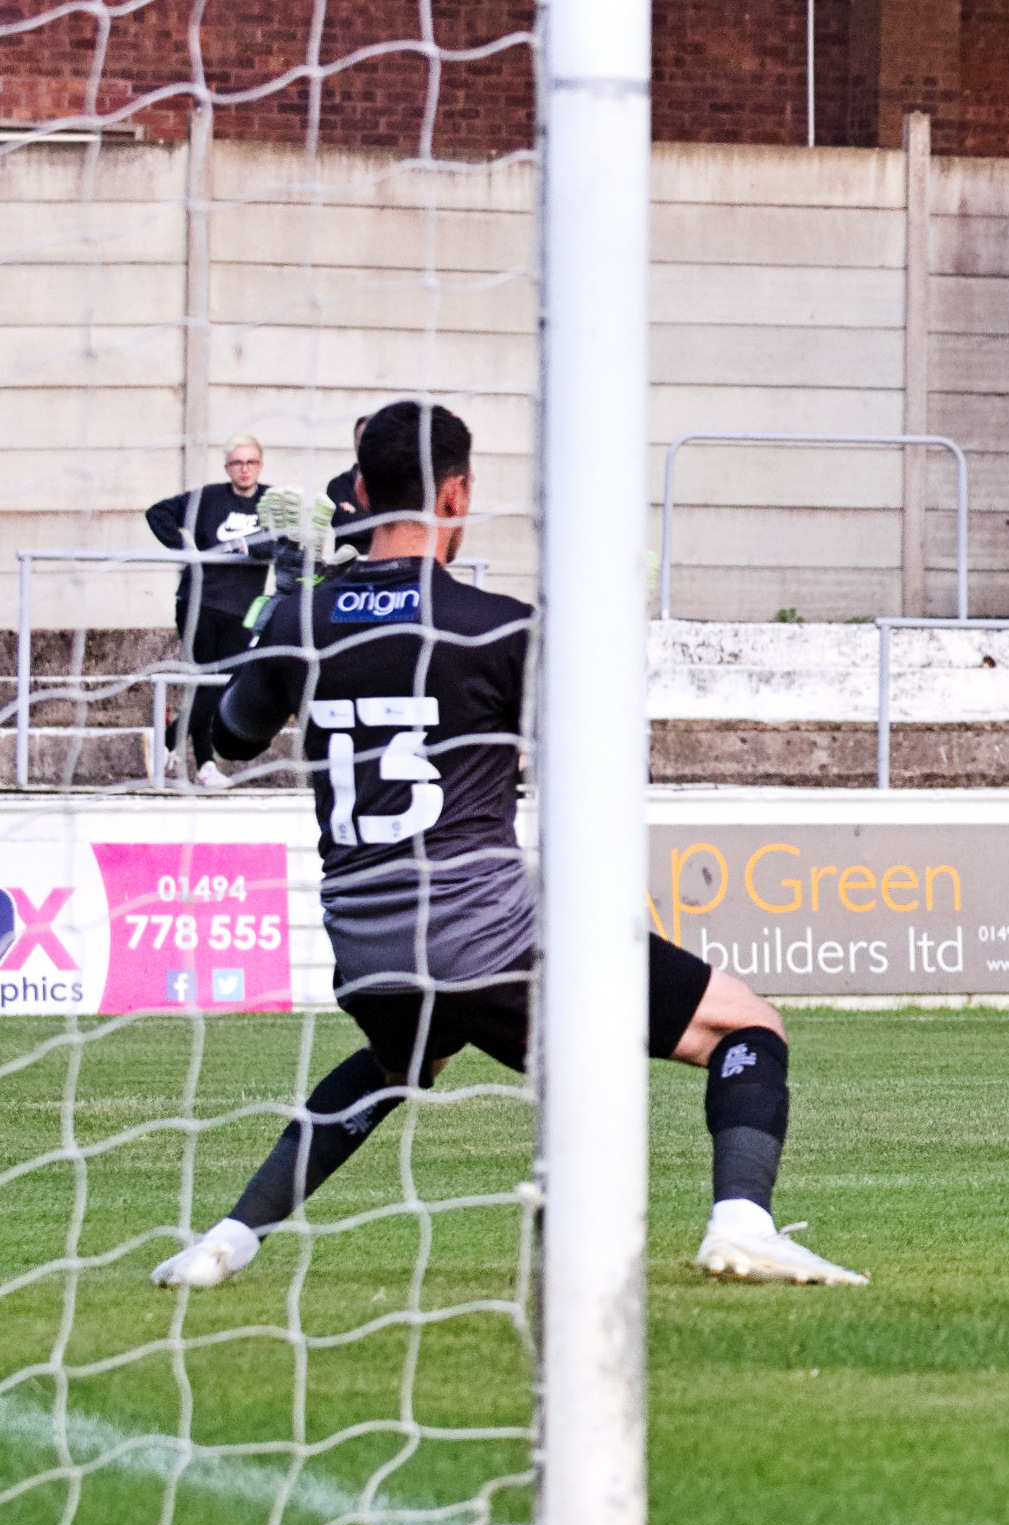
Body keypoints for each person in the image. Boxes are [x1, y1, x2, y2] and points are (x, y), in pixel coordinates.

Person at [150, 401, 866, 1291]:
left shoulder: (299, 619)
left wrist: (276, 625)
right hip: (488, 940)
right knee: (745, 1022)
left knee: (397, 1061)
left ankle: (231, 1236)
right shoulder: (496, 626)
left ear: (361, 491)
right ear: (458, 493)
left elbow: (224, 745)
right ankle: (741, 1222)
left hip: (368, 950)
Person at [144, 434, 279, 768]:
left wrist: (248, 547)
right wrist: (184, 547)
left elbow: (283, 542)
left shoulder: (273, 502)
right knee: (205, 681)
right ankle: (204, 767)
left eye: (250, 462)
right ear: (227, 467)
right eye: (237, 463)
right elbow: (157, 513)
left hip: (243, 608)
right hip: (198, 602)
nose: (244, 469)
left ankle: (168, 742)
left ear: (260, 465)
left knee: (225, 681)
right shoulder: (208, 498)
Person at [324, 414, 371, 538]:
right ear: (354, 443)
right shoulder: (338, 485)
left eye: (371, 438)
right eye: (361, 438)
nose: (366, 444)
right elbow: (344, 525)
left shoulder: (394, 485)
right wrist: (385, 522)